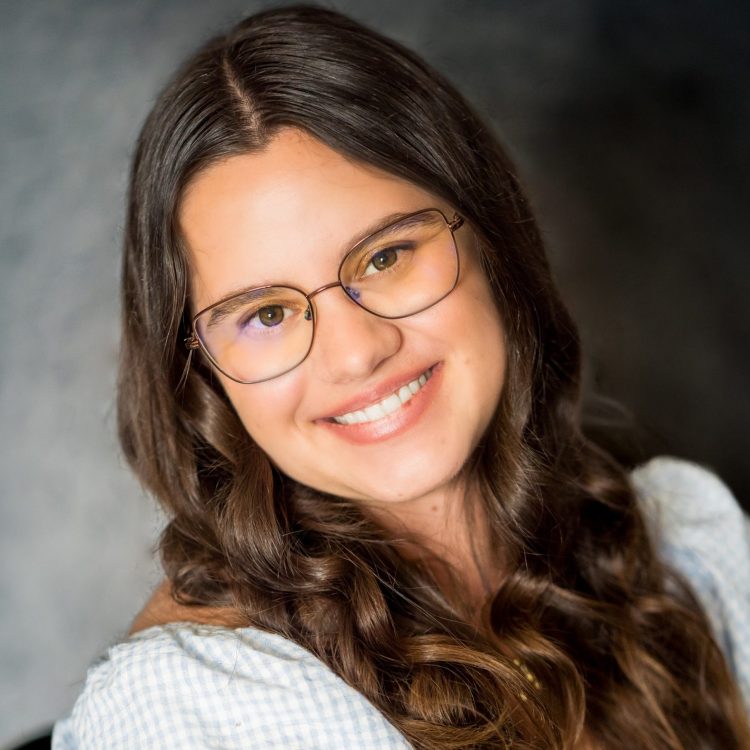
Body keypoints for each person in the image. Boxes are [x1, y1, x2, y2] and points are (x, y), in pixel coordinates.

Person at [52, 5, 750, 749]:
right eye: (267, 314)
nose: (357, 353)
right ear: (201, 377)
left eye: (384, 257)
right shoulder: (195, 706)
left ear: (491, 238)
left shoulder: (684, 545)